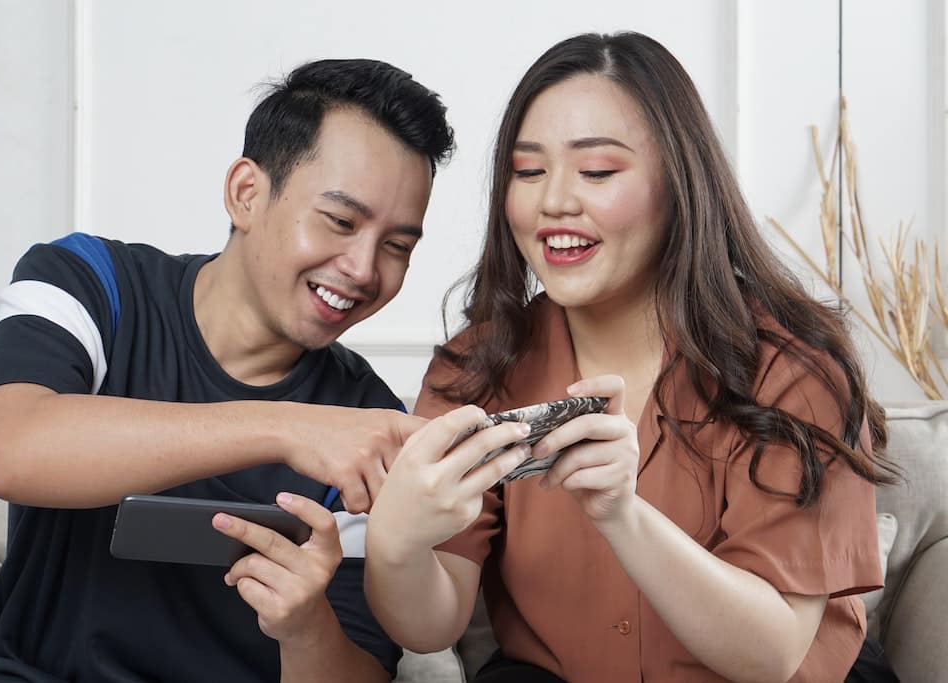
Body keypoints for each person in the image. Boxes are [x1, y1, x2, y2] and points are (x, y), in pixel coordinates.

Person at [365, 32, 896, 682]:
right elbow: (432, 620)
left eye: (597, 172)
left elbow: (773, 654)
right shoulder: (478, 365)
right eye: (527, 171)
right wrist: (395, 544)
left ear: (679, 183)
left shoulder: (795, 371)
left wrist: (623, 514)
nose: (553, 201)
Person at [0, 58, 454, 681]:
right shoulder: (91, 283)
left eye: (397, 247)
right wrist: (287, 428)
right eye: (340, 221)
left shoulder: (366, 424)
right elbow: (10, 449)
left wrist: (305, 630)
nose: (363, 268)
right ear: (247, 194)